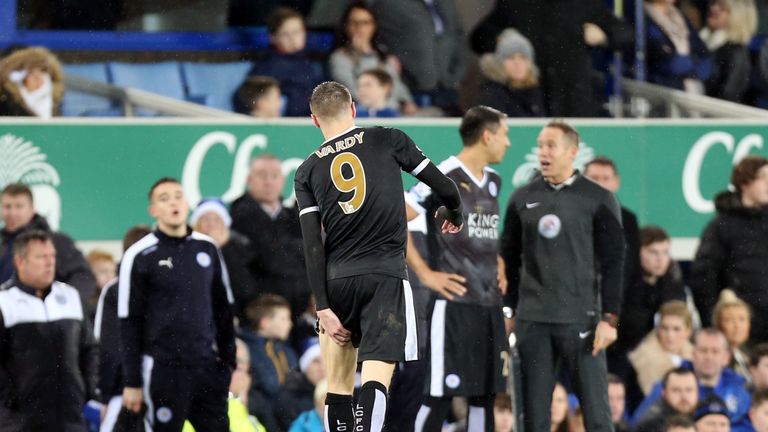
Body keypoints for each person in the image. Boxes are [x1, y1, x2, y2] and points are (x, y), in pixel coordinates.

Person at [294, 81, 463, 432]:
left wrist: (323, 306)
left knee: (338, 387)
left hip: (336, 282)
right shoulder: (388, 138)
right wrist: (454, 213)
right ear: (353, 109)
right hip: (384, 276)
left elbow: (312, 244)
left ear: (314, 120)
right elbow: (446, 187)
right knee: (376, 377)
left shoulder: (306, 171)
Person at [500, 120, 625, 432]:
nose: (543, 152)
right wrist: (510, 309)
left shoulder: (598, 198)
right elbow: (509, 259)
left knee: (597, 416)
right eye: (540, 145)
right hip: (533, 321)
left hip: (581, 320)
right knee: (533, 419)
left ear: (572, 151)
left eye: (550, 146)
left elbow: (614, 262)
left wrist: (610, 318)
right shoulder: (521, 198)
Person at [405, 105, 510, 431]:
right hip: (453, 306)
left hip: (488, 304)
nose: (508, 144)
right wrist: (424, 274)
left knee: (485, 396)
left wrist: (500, 263)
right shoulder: (444, 174)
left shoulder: (493, 180)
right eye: (505, 136)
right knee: (439, 395)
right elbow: (398, 217)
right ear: (487, 135)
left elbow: (485, 232)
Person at [118, 177, 236, 431]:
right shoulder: (139, 255)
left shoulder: (208, 248)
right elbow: (129, 323)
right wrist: (132, 382)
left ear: (187, 203)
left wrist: (228, 363)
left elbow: (223, 310)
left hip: (206, 368)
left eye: (178, 196)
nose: (173, 202)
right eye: (164, 198)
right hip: (163, 370)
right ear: (153, 210)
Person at [0, 230, 98, 431]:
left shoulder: (70, 297)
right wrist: (9, 401)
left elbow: (89, 350)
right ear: (20, 262)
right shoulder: (4, 303)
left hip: (71, 419)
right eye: (41, 257)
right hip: (20, 423)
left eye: (52, 256)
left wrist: (86, 391)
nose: (50, 262)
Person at [470, 0, 634, 117]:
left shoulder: (584, 4)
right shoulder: (515, 4)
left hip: (572, 101)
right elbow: (478, 39)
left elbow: (626, 35)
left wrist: (603, 36)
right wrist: (502, 39)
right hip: (528, 102)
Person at [690, 156, 768, 342]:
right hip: (738, 336)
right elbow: (703, 278)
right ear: (744, 183)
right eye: (763, 177)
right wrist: (713, 326)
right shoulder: (721, 226)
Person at [230, 154, 309, 321]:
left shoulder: (293, 216)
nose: (268, 182)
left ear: (282, 180)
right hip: (258, 317)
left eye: (274, 176)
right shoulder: (238, 217)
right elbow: (268, 258)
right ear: (249, 180)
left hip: (299, 313)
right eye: (262, 175)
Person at [632, 329, 752, 432]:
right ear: (693, 354)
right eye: (704, 350)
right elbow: (641, 422)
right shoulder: (671, 381)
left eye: (715, 351)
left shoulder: (740, 388)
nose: (709, 357)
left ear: (726, 357)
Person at [95, 224, 152, 431]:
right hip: (156, 393)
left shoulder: (114, 291)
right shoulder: (115, 292)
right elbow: (109, 349)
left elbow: (107, 349)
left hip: (125, 394)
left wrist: (106, 396)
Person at [0, 183, 97, 299]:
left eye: (19, 206)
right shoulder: (2, 244)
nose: (12, 213)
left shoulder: (57, 242)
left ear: (32, 209)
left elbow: (83, 277)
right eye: (7, 206)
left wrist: (65, 304)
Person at [369, 0, 466, 113]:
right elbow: (382, 42)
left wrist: (455, 76)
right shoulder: (389, 4)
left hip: (447, 89)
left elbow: (458, 37)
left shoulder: (445, 3)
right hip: (413, 92)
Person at [614, 225, 689, 358]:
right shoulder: (623, 286)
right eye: (653, 252)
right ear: (638, 252)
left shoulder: (673, 284)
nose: (660, 259)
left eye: (665, 252)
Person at [329, 1, 416, 113]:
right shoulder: (339, 57)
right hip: (363, 115)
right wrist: (362, 53)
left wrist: (407, 102)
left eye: (365, 23)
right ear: (346, 26)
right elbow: (357, 94)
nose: (360, 28)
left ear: (374, 26)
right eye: (354, 22)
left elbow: (396, 85)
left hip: (393, 113)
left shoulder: (382, 54)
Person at [245, 8, 326, 117]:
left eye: (297, 32)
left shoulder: (310, 63)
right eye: (285, 34)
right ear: (273, 38)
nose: (293, 38)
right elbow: (249, 98)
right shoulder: (268, 66)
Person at [190, 197, 258, 325]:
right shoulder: (186, 250)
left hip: (235, 318)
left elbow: (246, 289)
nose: (211, 224)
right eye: (205, 219)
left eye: (217, 219)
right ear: (196, 224)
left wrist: (224, 248)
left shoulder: (241, 248)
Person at [583, 156, 641, 298]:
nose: (600, 184)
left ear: (616, 182)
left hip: (617, 300)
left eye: (606, 178)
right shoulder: (572, 216)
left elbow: (631, 266)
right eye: (594, 178)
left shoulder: (628, 220)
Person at [240, 294, 298, 432]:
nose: (290, 323)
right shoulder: (245, 351)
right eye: (284, 318)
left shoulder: (286, 350)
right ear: (265, 322)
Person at [644, 0, 713, 94]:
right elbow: (667, 66)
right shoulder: (640, 17)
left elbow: (706, 64)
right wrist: (691, 64)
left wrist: (683, 63)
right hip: (660, 96)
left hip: (691, 95)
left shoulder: (681, 18)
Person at [629, 301, 695, 396]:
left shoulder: (695, 357)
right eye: (665, 328)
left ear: (688, 331)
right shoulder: (643, 360)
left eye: (676, 329)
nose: (670, 335)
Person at [478, 28, 545, 117]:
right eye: (511, 58)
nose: (517, 63)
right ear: (500, 64)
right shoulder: (493, 95)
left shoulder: (535, 93)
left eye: (523, 58)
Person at [700, 0, 757, 102]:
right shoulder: (699, 42)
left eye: (722, 7)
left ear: (737, 16)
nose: (713, 8)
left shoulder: (736, 54)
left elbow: (729, 96)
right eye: (713, 3)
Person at [275, 337, 326, 429]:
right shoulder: (290, 397)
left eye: (326, 361)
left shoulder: (339, 391)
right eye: (316, 361)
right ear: (305, 366)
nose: (322, 367)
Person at [0, 46, 63, 117]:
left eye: (43, 71)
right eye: (31, 73)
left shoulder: (54, 102)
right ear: (21, 79)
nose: (38, 77)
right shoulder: (5, 104)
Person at [634, 368, 699, 432]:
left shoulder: (702, 414)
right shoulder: (651, 423)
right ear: (664, 393)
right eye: (676, 390)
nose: (684, 396)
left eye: (689, 390)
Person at [712, 290, 752, 383]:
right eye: (729, 320)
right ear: (718, 325)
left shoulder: (747, 354)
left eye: (742, 319)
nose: (737, 325)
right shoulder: (716, 358)